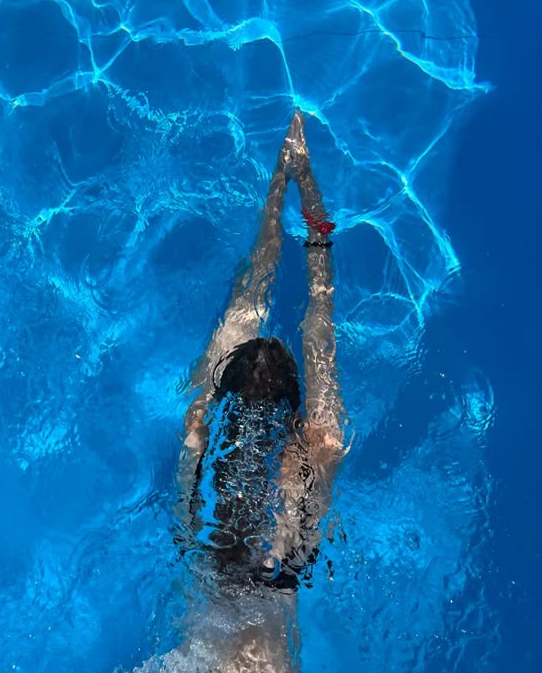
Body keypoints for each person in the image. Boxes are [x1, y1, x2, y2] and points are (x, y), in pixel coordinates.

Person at [161, 112, 347, 673]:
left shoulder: (200, 416)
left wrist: (278, 186)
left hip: (204, 615)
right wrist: (307, 187)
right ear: (293, 400)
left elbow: (257, 272)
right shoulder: (317, 436)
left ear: (226, 385)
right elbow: (321, 307)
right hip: (268, 626)